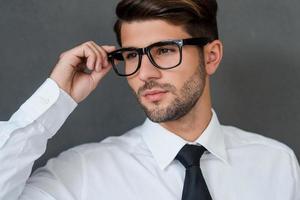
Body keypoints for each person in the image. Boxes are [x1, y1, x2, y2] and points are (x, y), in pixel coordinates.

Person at [0, 0, 299, 199]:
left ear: (211, 57)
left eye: (165, 50)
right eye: (131, 55)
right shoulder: (81, 174)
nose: (144, 73)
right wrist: (56, 97)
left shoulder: (276, 164)